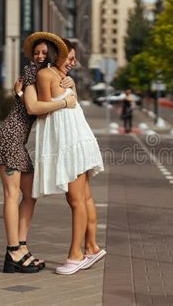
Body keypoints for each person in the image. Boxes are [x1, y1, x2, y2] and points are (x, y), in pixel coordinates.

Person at [0, 34, 77, 274]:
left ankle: (21, 248)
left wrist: (71, 85)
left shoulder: (45, 76)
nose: (39, 56)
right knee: (11, 195)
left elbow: (40, 100)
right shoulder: (31, 73)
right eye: (36, 52)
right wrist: (64, 102)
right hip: (9, 139)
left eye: (44, 53)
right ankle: (13, 251)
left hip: (17, 140)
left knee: (30, 194)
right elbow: (33, 107)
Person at [31, 34, 105, 275]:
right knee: (83, 198)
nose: (73, 62)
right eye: (70, 57)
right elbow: (69, 104)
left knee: (76, 200)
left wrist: (24, 95)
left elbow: (40, 110)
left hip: (71, 143)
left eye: (74, 58)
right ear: (60, 53)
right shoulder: (62, 77)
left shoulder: (46, 75)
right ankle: (92, 247)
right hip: (80, 140)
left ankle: (76, 255)